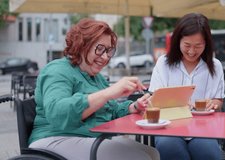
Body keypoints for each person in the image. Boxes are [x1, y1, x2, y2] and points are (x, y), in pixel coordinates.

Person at [28, 18, 160, 160]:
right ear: (82, 45)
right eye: (100, 49)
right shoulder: (57, 70)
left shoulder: (96, 77)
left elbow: (110, 111)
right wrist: (108, 93)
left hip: (88, 137)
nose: (105, 57)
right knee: (139, 158)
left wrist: (133, 107)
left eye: (109, 50)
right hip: (53, 139)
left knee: (153, 153)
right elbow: (58, 113)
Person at [148, 13, 225, 160]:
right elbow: (154, 100)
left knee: (208, 152)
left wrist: (212, 104)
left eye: (198, 46)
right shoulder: (163, 64)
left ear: (206, 43)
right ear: (178, 41)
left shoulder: (215, 66)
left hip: (203, 128)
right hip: (169, 127)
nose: (191, 51)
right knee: (168, 146)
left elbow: (218, 100)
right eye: (187, 45)